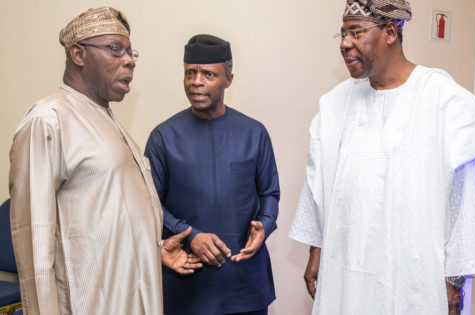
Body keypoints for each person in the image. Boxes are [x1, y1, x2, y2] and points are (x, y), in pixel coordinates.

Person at [289, 0, 475, 314]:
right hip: (347, 271)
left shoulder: (441, 99)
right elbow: (320, 183)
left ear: (390, 33)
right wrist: (317, 249)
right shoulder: (337, 103)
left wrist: (455, 278)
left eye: (356, 32)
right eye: (342, 34)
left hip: (415, 273)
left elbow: (461, 198)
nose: (344, 44)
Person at [9, 7, 201, 315]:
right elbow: (34, 244)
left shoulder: (108, 121)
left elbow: (105, 219)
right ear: (78, 54)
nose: (130, 60)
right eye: (115, 49)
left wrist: (153, 250)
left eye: (130, 51)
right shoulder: (49, 120)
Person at [145, 34, 280, 315]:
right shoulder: (163, 137)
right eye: (190, 73)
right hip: (187, 285)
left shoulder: (254, 133)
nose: (197, 81)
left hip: (244, 282)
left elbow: (269, 192)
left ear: (228, 79)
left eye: (208, 74)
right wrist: (190, 234)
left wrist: (265, 225)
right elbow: (149, 203)